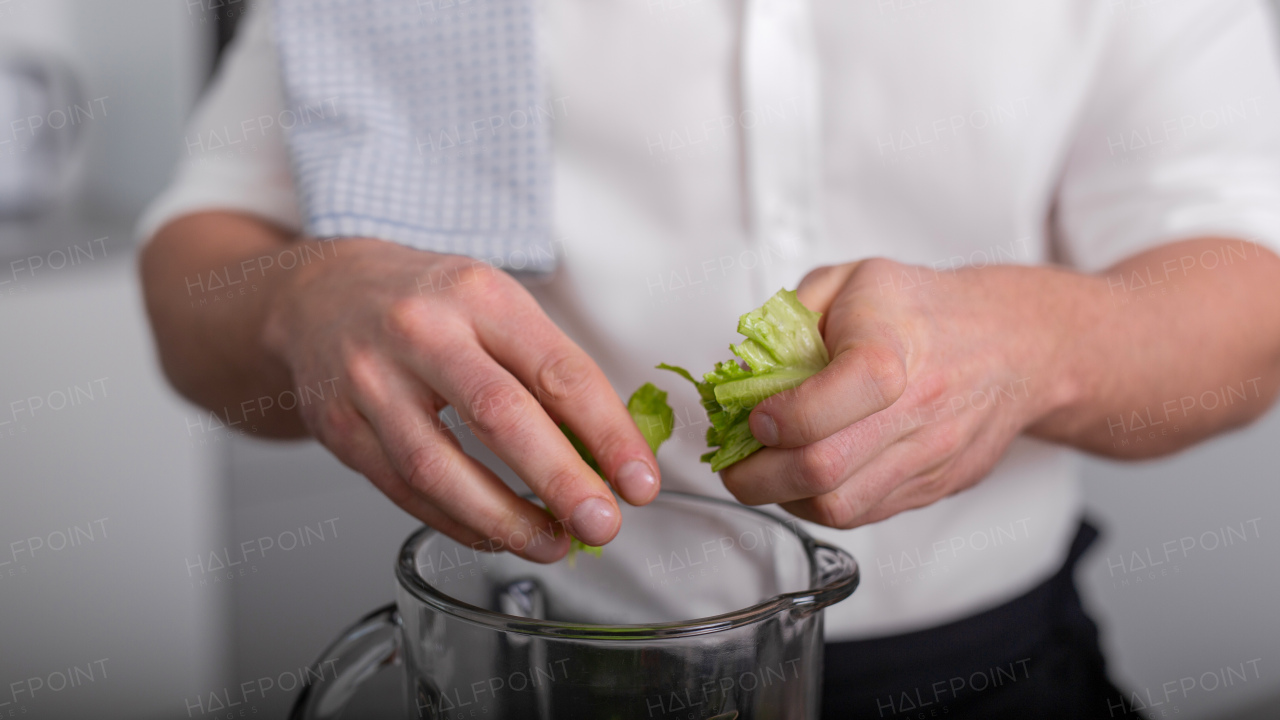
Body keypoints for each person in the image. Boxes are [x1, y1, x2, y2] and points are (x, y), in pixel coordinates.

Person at [137, 0, 1280, 716]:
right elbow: (196, 267)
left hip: (1000, 674)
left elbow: (1250, 302)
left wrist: (1037, 342)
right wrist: (302, 296)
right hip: (548, 670)